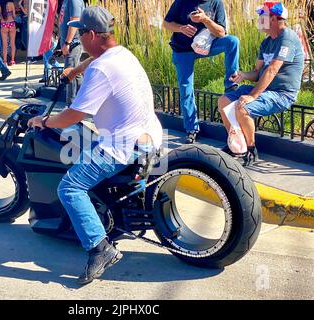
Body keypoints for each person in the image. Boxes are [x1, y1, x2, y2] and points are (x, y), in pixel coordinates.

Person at [27, 6, 163, 285]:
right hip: (149, 135)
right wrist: (76, 68)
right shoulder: (121, 53)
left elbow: (74, 116)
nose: (76, 38)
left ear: (91, 34)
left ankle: (100, 248)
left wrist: (46, 122)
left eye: (79, 33)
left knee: (70, 187)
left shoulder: (101, 68)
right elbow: (96, 61)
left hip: (123, 146)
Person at [218, 2, 304, 166]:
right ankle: (237, 145)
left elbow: (272, 70)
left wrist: (252, 96)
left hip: (281, 93)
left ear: (273, 18)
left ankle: (251, 150)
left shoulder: (287, 38)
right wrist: (243, 75)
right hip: (265, 89)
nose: (258, 19)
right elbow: (257, 73)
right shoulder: (266, 43)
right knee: (223, 101)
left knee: (243, 108)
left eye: (261, 16)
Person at [163, 0, 240, 144]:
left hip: (206, 45)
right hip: (183, 49)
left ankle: (230, 84)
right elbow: (166, 23)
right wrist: (181, 28)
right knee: (186, 88)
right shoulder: (181, 1)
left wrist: (205, 19)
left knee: (232, 41)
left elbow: (221, 32)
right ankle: (191, 129)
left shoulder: (216, 3)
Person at [59, 0, 85, 106]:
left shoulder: (75, 1)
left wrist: (67, 42)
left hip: (73, 43)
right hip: (68, 43)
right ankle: (82, 101)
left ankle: (71, 105)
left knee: (69, 74)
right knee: (76, 72)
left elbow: (75, 21)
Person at [0, 0, 16, 66]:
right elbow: (14, 15)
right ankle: (12, 61)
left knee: (4, 45)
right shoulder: (11, 4)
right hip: (11, 23)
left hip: (4, 24)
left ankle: (5, 61)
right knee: (12, 43)